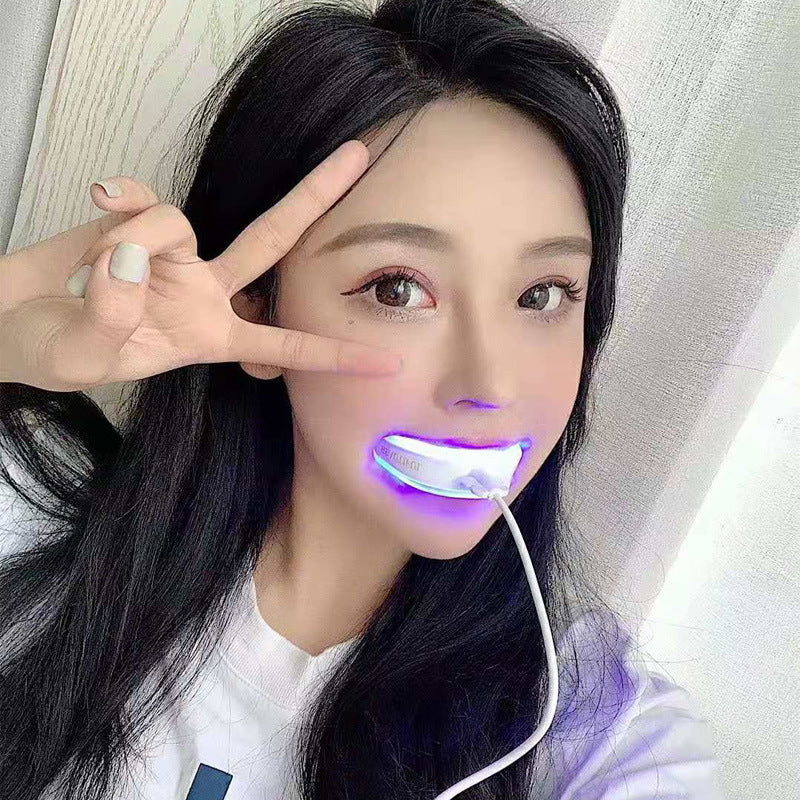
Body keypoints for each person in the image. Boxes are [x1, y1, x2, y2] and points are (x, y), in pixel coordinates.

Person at [0, 0, 725, 798]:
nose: (491, 386)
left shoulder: (600, 735)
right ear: (254, 307)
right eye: (398, 288)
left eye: (543, 294)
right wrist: (13, 322)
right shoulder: (31, 529)